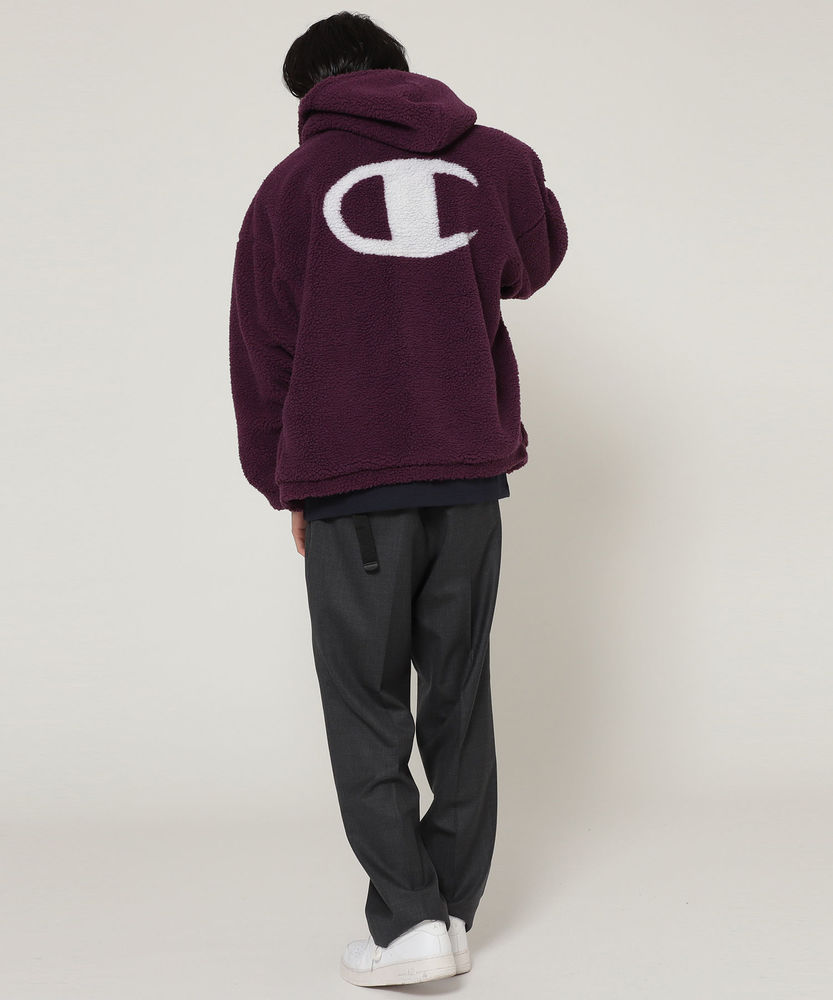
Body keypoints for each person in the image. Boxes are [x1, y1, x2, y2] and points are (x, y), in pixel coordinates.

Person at [228, 11, 568, 987]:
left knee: (365, 702)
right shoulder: (495, 159)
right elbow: (535, 260)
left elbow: (262, 349)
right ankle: (449, 910)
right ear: (400, 70)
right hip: (467, 478)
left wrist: (282, 480)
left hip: (352, 484)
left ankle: (410, 920)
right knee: (457, 695)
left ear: (308, 94)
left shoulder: (290, 187)